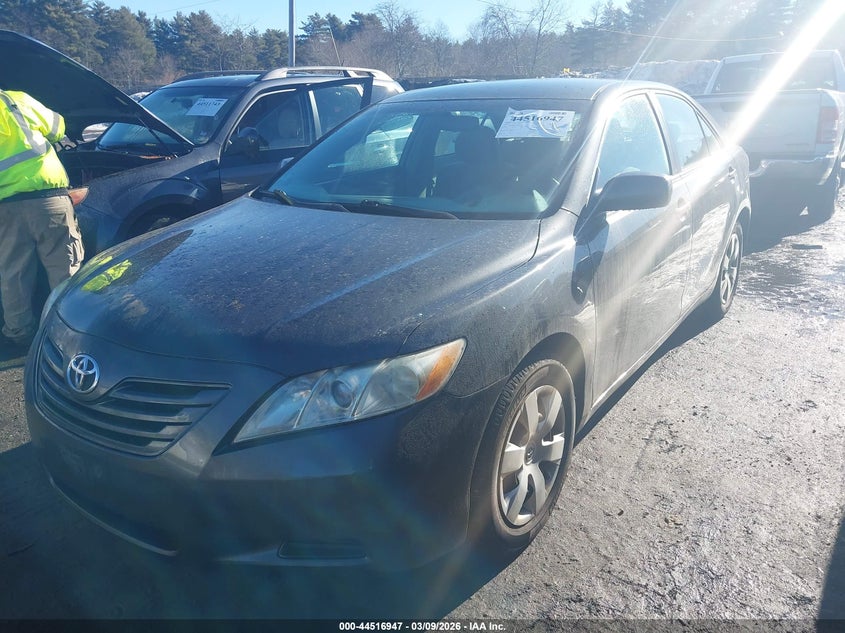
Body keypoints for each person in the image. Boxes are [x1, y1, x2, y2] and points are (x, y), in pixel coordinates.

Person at [0, 88, 84, 353]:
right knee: (64, 267)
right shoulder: (15, 99)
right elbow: (58, 127)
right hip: (47, 198)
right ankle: (70, 330)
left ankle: (19, 335)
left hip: (5, 206)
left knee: (13, 273)